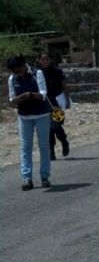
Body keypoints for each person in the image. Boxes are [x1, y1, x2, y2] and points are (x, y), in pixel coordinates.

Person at [7, 56, 52, 190]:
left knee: (44, 146)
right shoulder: (12, 78)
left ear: (25, 65)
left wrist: (30, 95)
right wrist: (17, 99)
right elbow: (11, 99)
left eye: (19, 69)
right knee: (25, 147)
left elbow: (43, 94)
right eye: (15, 71)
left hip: (41, 115)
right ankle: (27, 178)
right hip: (24, 116)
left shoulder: (37, 73)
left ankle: (44, 176)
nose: (18, 73)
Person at [38, 52, 70, 159]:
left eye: (47, 59)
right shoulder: (38, 73)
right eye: (43, 59)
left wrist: (67, 101)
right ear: (39, 61)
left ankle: (64, 141)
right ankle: (51, 151)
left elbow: (64, 86)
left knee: (55, 125)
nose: (45, 61)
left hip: (57, 102)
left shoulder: (57, 71)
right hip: (44, 103)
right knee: (47, 128)